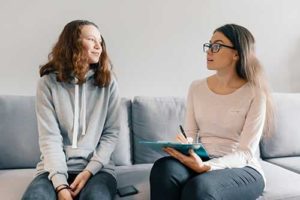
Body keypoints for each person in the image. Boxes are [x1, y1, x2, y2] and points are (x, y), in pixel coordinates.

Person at [150, 24, 274, 200]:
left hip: (243, 167)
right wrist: (185, 146)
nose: (209, 51)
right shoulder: (196, 87)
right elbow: (191, 134)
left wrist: (207, 167)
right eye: (209, 45)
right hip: (204, 159)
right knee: (164, 169)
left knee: (199, 188)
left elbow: (245, 153)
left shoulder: (255, 92)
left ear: (236, 53)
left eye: (217, 46)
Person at [22, 20, 120, 200]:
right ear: (73, 43)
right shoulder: (47, 84)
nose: (99, 46)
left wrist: (89, 171)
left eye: (100, 41)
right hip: (52, 169)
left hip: (98, 170)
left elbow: (111, 134)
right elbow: (49, 138)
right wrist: (60, 185)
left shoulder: (108, 83)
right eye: (91, 40)